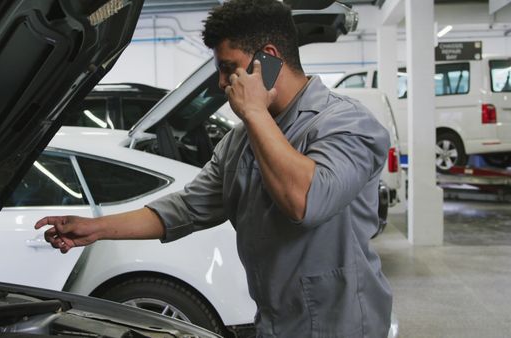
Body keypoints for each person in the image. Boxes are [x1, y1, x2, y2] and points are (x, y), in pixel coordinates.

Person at [35, 0, 393, 336]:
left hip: (342, 326)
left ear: (268, 60)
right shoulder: (240, 140)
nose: (223, 83)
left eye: (228, 68)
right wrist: (96, 228)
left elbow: (306, 202)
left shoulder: (346, 123)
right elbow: (186, 208)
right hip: (274, 321)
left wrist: (253, 111)